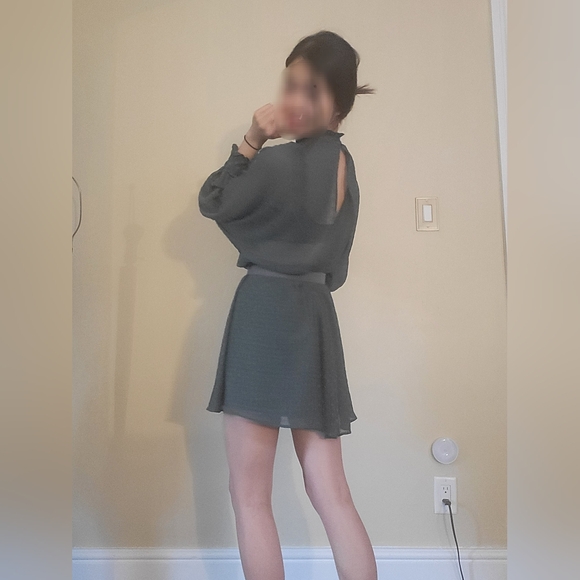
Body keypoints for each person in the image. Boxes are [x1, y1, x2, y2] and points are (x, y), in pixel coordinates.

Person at [198, 30, 377, 580]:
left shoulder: (276, 164)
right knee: (332, 493)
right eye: (291, 85)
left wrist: (251, 139)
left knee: (249, 495)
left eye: (311, 89)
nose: (295, 100)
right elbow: (336, 267)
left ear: (340, 103)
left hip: (262, 317)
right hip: (315, 318)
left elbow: (214, 200)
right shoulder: (346, 167)